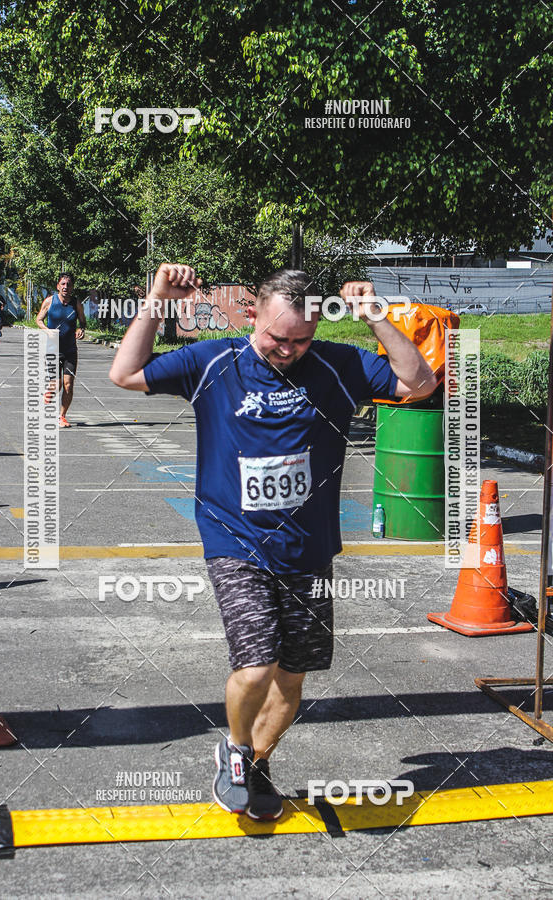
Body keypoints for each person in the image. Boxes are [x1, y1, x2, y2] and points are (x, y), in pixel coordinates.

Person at [109, 263, 437, 821]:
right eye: (275, 337)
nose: (286, 350)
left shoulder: (337, 364)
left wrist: (374, 316)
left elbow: (421, 383)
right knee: (257, 665)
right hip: (234, 540)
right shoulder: (214, 361)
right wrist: (157, 298)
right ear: (253, 314)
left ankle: (255, 760)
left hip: (308, 549)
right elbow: (125, 372)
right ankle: (235, 751)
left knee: (292, 676)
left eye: (300, 340)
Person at [36, 273, 86, 427]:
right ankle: (48, 394)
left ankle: (62, 416)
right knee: (56, 384)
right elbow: (38, 320)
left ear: (72, 287)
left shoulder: (76, 303)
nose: (66, 287)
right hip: (52, 349)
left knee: (68, 385)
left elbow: (83, 322)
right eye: (63, 284)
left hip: (70, 350)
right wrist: (46, 330)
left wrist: (81, 329)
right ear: (58, 286)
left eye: (68, 284)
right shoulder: (50, 301)